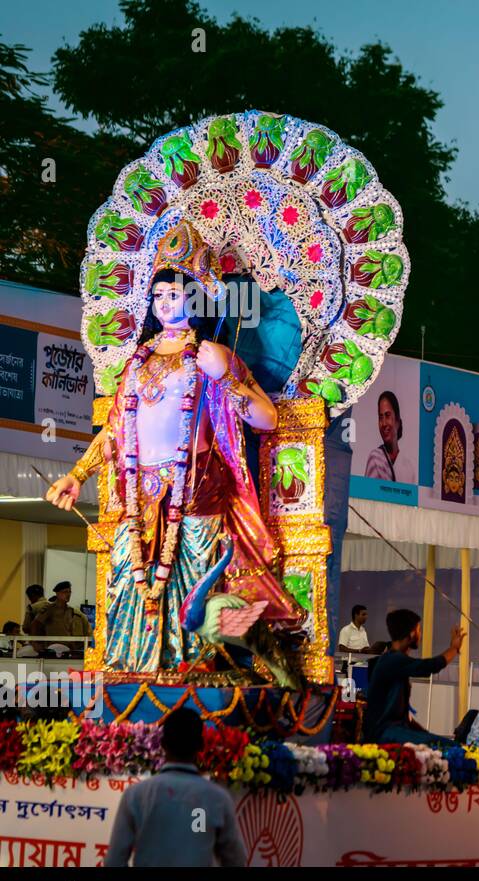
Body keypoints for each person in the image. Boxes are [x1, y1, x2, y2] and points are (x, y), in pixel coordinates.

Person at [46, 221, 302, 673]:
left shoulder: (210, 357)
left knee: (194, 583)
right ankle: (132, 662)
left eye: (176, 294)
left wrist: (225, 375)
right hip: (139, 493)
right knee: (130, 577)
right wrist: (76, 475)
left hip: (198, 488)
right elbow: (117, 431)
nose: (166, 303)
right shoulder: (137, 362)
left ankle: (195, 663)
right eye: (158, 295)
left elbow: (267, 418)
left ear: (197, 299)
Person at [105, 708, 245, 866]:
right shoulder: (218, 798)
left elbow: (114, 861)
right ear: (200, 746)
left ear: (162, 744)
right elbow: (236, 860)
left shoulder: (136, 795)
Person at [362, 610, 463, 745]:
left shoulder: (395, 661)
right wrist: (454, 649)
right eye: (419, 630)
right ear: (411, 633)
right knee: (451, 748)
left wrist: (425, 734)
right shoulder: (392, 660)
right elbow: (430, 666)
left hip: (393, 730)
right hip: (384, 733)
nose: (420, 635)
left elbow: (404, 718)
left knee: (445, 745)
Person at [364, 390, 417, 483]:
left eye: (387, 415)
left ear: (397, 421)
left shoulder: (409, 468)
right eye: (380, 417)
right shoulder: (375, 458)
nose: (384, 423)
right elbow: (367, 496)